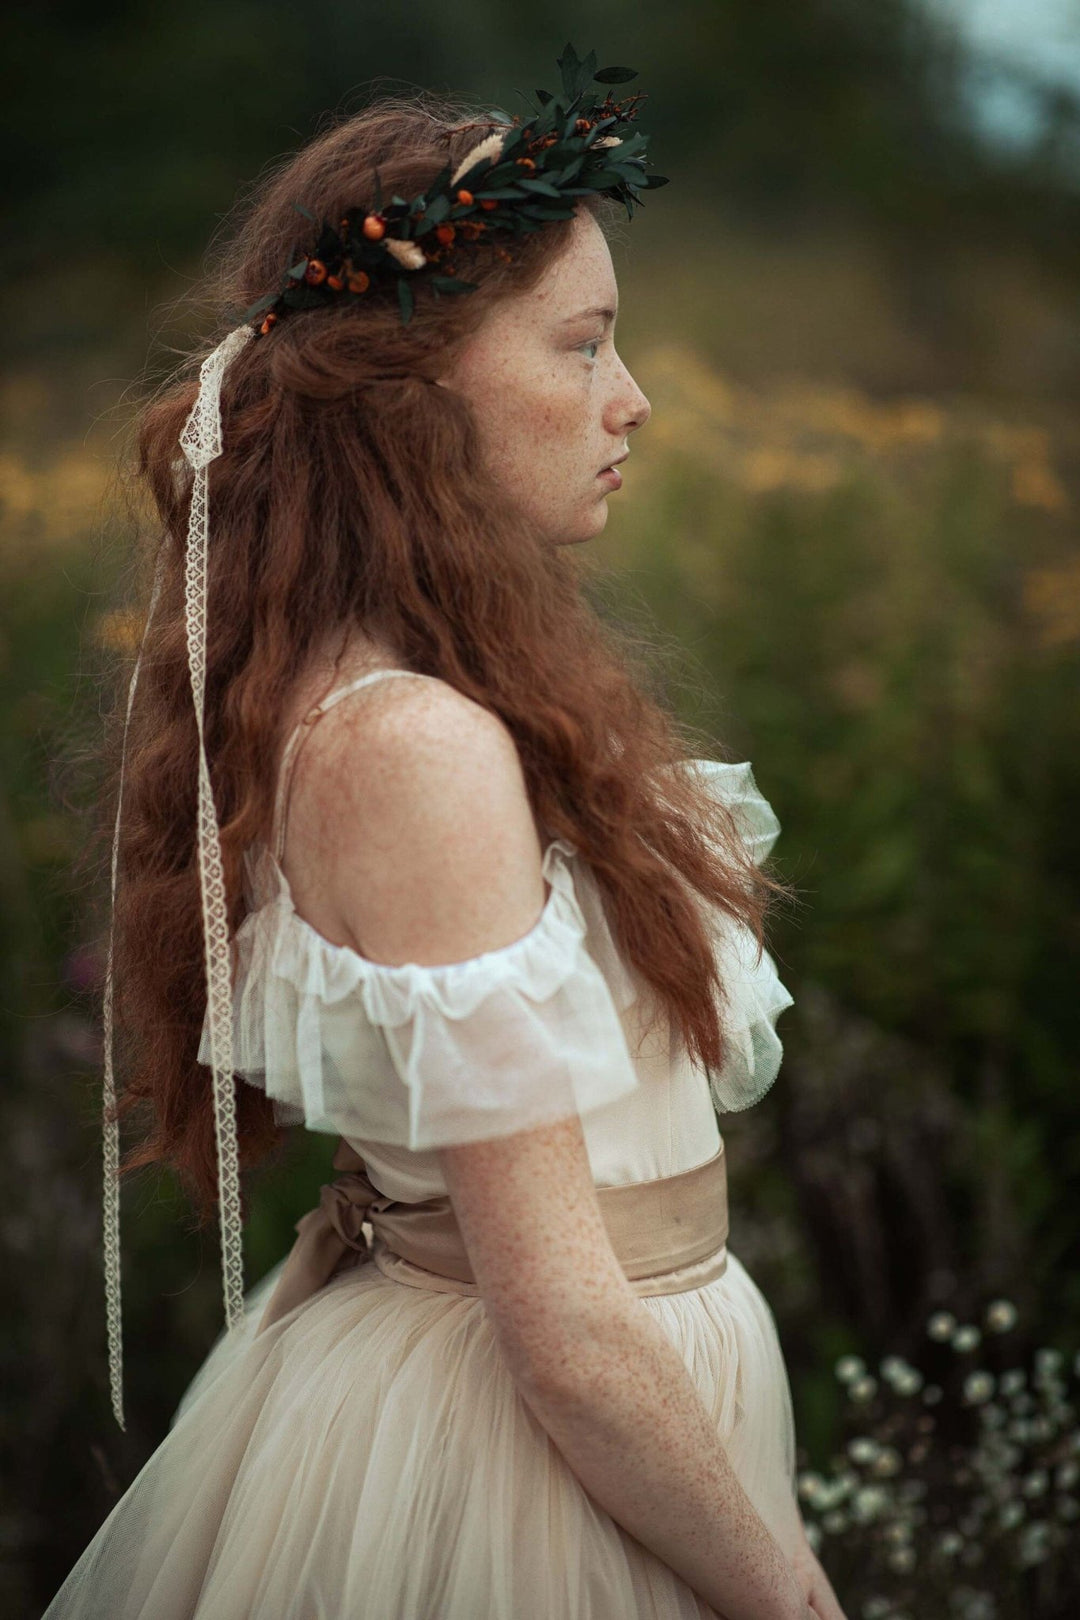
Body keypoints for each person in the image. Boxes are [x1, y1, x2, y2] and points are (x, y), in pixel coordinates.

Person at [45, 49, 847, 1620]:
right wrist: (795, 1597)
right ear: (415, 401)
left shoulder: (430, 684)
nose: (632, 401)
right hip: (518, 1454)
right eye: (583, 345)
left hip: (589, 1412)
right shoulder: (413, 742)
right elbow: (565, 1332)